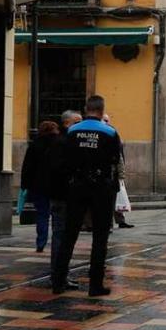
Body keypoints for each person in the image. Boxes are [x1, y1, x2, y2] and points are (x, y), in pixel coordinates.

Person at [52, 95, 122, 296]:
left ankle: (58, 282)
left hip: (77, 185)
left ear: (85, 109)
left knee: (69, 234)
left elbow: (65, 159)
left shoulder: (73, 131)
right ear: (102, 110)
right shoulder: (110, 132)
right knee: (100, 237)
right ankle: (95, 284)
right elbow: (115, 159)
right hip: (101, 187)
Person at [20, 121, 61, 253]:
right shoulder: (60, 143)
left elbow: (27, 167)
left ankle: (41, 242)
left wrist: (25, 184)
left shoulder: (35, 145)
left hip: (38, 186)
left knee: (42, 214)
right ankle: (57, 243)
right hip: (56, 185)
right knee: (57, 214)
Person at [103, 114, 133, 229]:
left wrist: (121, 172)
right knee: (109, 200)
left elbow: (119, 155)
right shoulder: (104, 134)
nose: (105, 122)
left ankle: (120, 220)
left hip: (115, 173)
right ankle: (108, 223)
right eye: (104, 120)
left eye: (107, 120)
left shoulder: (112, 132)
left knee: (117, 197)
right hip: (106, 173)